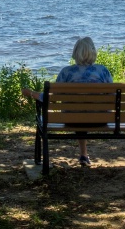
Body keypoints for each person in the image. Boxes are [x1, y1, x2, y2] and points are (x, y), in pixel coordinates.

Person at [22, 36, 113, 166]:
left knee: (79, 113)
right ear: (93, 52)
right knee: (85, 112)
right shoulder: (103, 71)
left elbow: (50, 97)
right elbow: (113, 94)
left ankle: (83, 154)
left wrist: (30, 93)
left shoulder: (66, 73)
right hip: (100, 119)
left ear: (76, 52)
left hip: (71, 118)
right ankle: (83, 155)